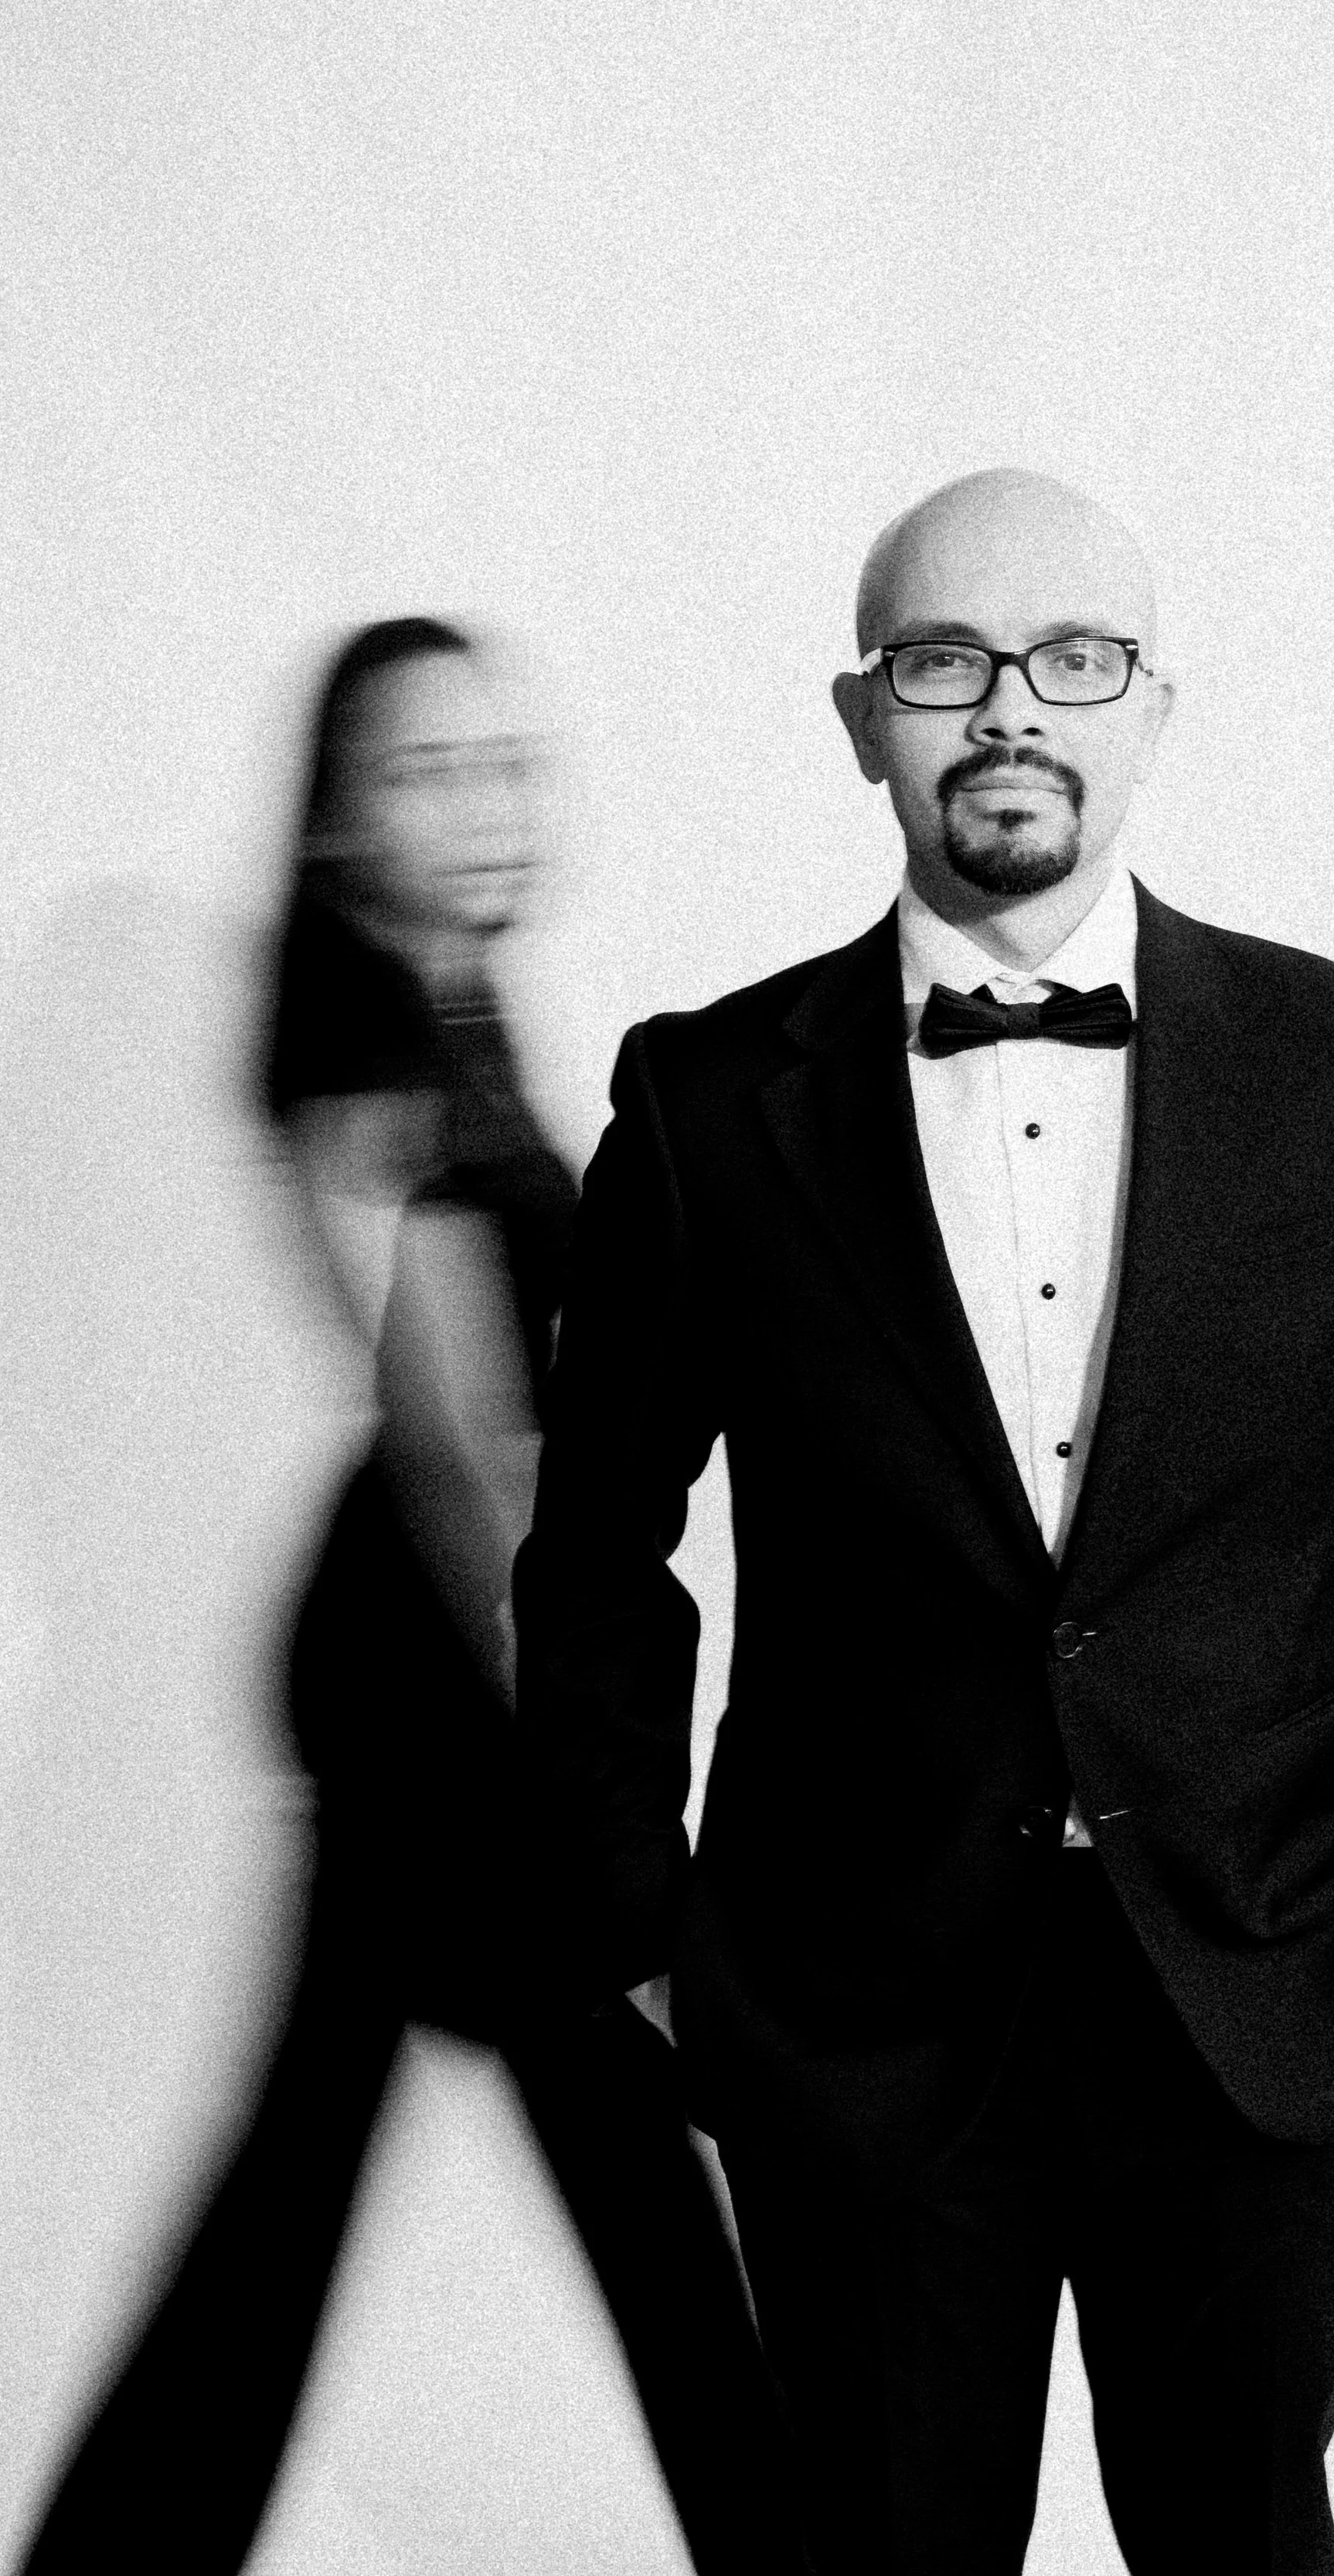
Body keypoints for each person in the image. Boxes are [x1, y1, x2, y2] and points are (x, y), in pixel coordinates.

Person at [515, 474, 1334, 2575]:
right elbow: (597, 1544)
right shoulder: (707, 1099)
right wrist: (642, 1924)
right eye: (943, 664)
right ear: (859, 716)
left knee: (1242, 2541)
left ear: (1151, 707)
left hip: (1258, 1985)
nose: (1009, 709)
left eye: (1071, 659)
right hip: (857, 2010)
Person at [19, 620, 801, 2576]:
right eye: (420, 771)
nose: (478, 806)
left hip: (418, 1702)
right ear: (335, 824)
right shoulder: (360, 1040)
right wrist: (603, 1782)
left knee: (299, 2237)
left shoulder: (456, 1017)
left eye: (501, 762)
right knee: (665, 2223)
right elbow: (460, 1446)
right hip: (450, 1706)